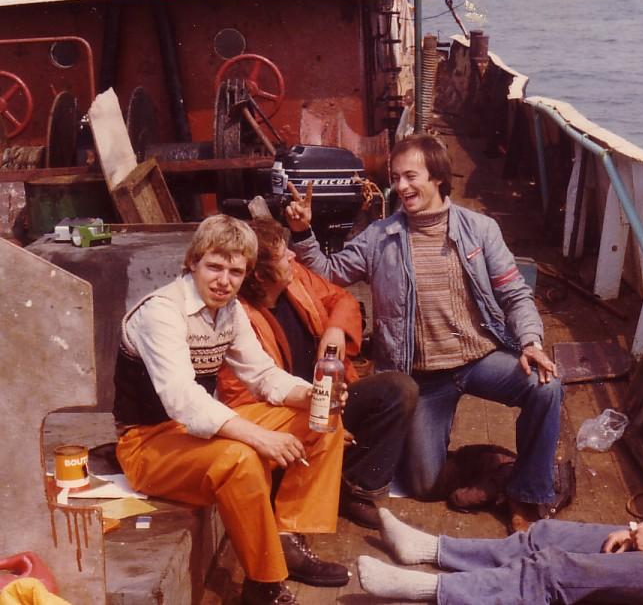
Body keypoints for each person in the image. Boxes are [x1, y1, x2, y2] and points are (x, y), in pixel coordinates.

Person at [354, 350, 643, 604]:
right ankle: (430, 550)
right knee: (545, 535)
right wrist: (640, 530)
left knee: (556, 571)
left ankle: (428, 590)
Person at [288, 134, 564, 530]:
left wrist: (531, 342)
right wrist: (302, 233)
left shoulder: (480, 229)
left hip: (479, 359)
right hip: (423, 378)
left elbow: (514, 293)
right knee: (424, 484)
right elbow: (329, 274)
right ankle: (493, 464)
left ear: (437, 177)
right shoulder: (380, 237)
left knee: (545, 385)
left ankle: (526, 496)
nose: (401, 186)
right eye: (395, 178)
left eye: (410, 176)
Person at [113, 215, 348, 605]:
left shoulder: (229, 310)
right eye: (215, 267)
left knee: (322, 419)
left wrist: (312, 395)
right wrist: (260, 437)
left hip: (194, 434)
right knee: (241, 458)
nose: (224, 280)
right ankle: (263, 582)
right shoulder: (162, 311)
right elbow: (182, 398)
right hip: (147, 444)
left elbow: (262, 375)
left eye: (235, 272)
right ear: (193, 262)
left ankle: (286, 537)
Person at [216, 216, 419, 529]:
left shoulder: (295, 278)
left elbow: (342, 298)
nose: (293, 256)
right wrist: (326, 425)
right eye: (283, 255)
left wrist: (336, 329)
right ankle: (296, 507)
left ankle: (354, 489)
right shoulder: (238, 319)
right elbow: (243, 401)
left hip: (322, 400)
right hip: (284, 421)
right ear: (259, 274)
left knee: (398, 389)